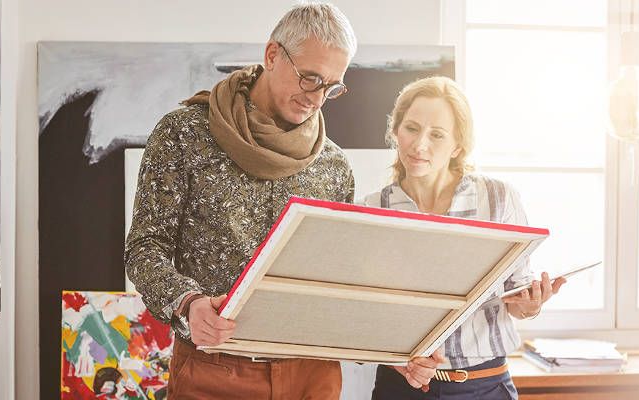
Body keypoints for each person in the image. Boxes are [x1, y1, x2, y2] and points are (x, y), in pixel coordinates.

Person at [124, 3, 357, 399]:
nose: (317, 98)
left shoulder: (334, 167)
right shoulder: (183, 136)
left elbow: (339, 279)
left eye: (331, 86)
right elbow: (145, 249)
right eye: (309, 78)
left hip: (312, 373)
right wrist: (188, 302)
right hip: (212, 369)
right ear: (272, 55)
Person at [363, 77, 566, 400]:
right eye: (411, 128)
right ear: (395, 130)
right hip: (401, 389)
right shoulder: (371, 209)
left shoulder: (498, 198)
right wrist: (398, 360)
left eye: (437, 135)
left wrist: (530, 306)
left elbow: (518, 298)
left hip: (486, 386)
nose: (419, 145)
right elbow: (362, 314)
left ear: (458, 146)